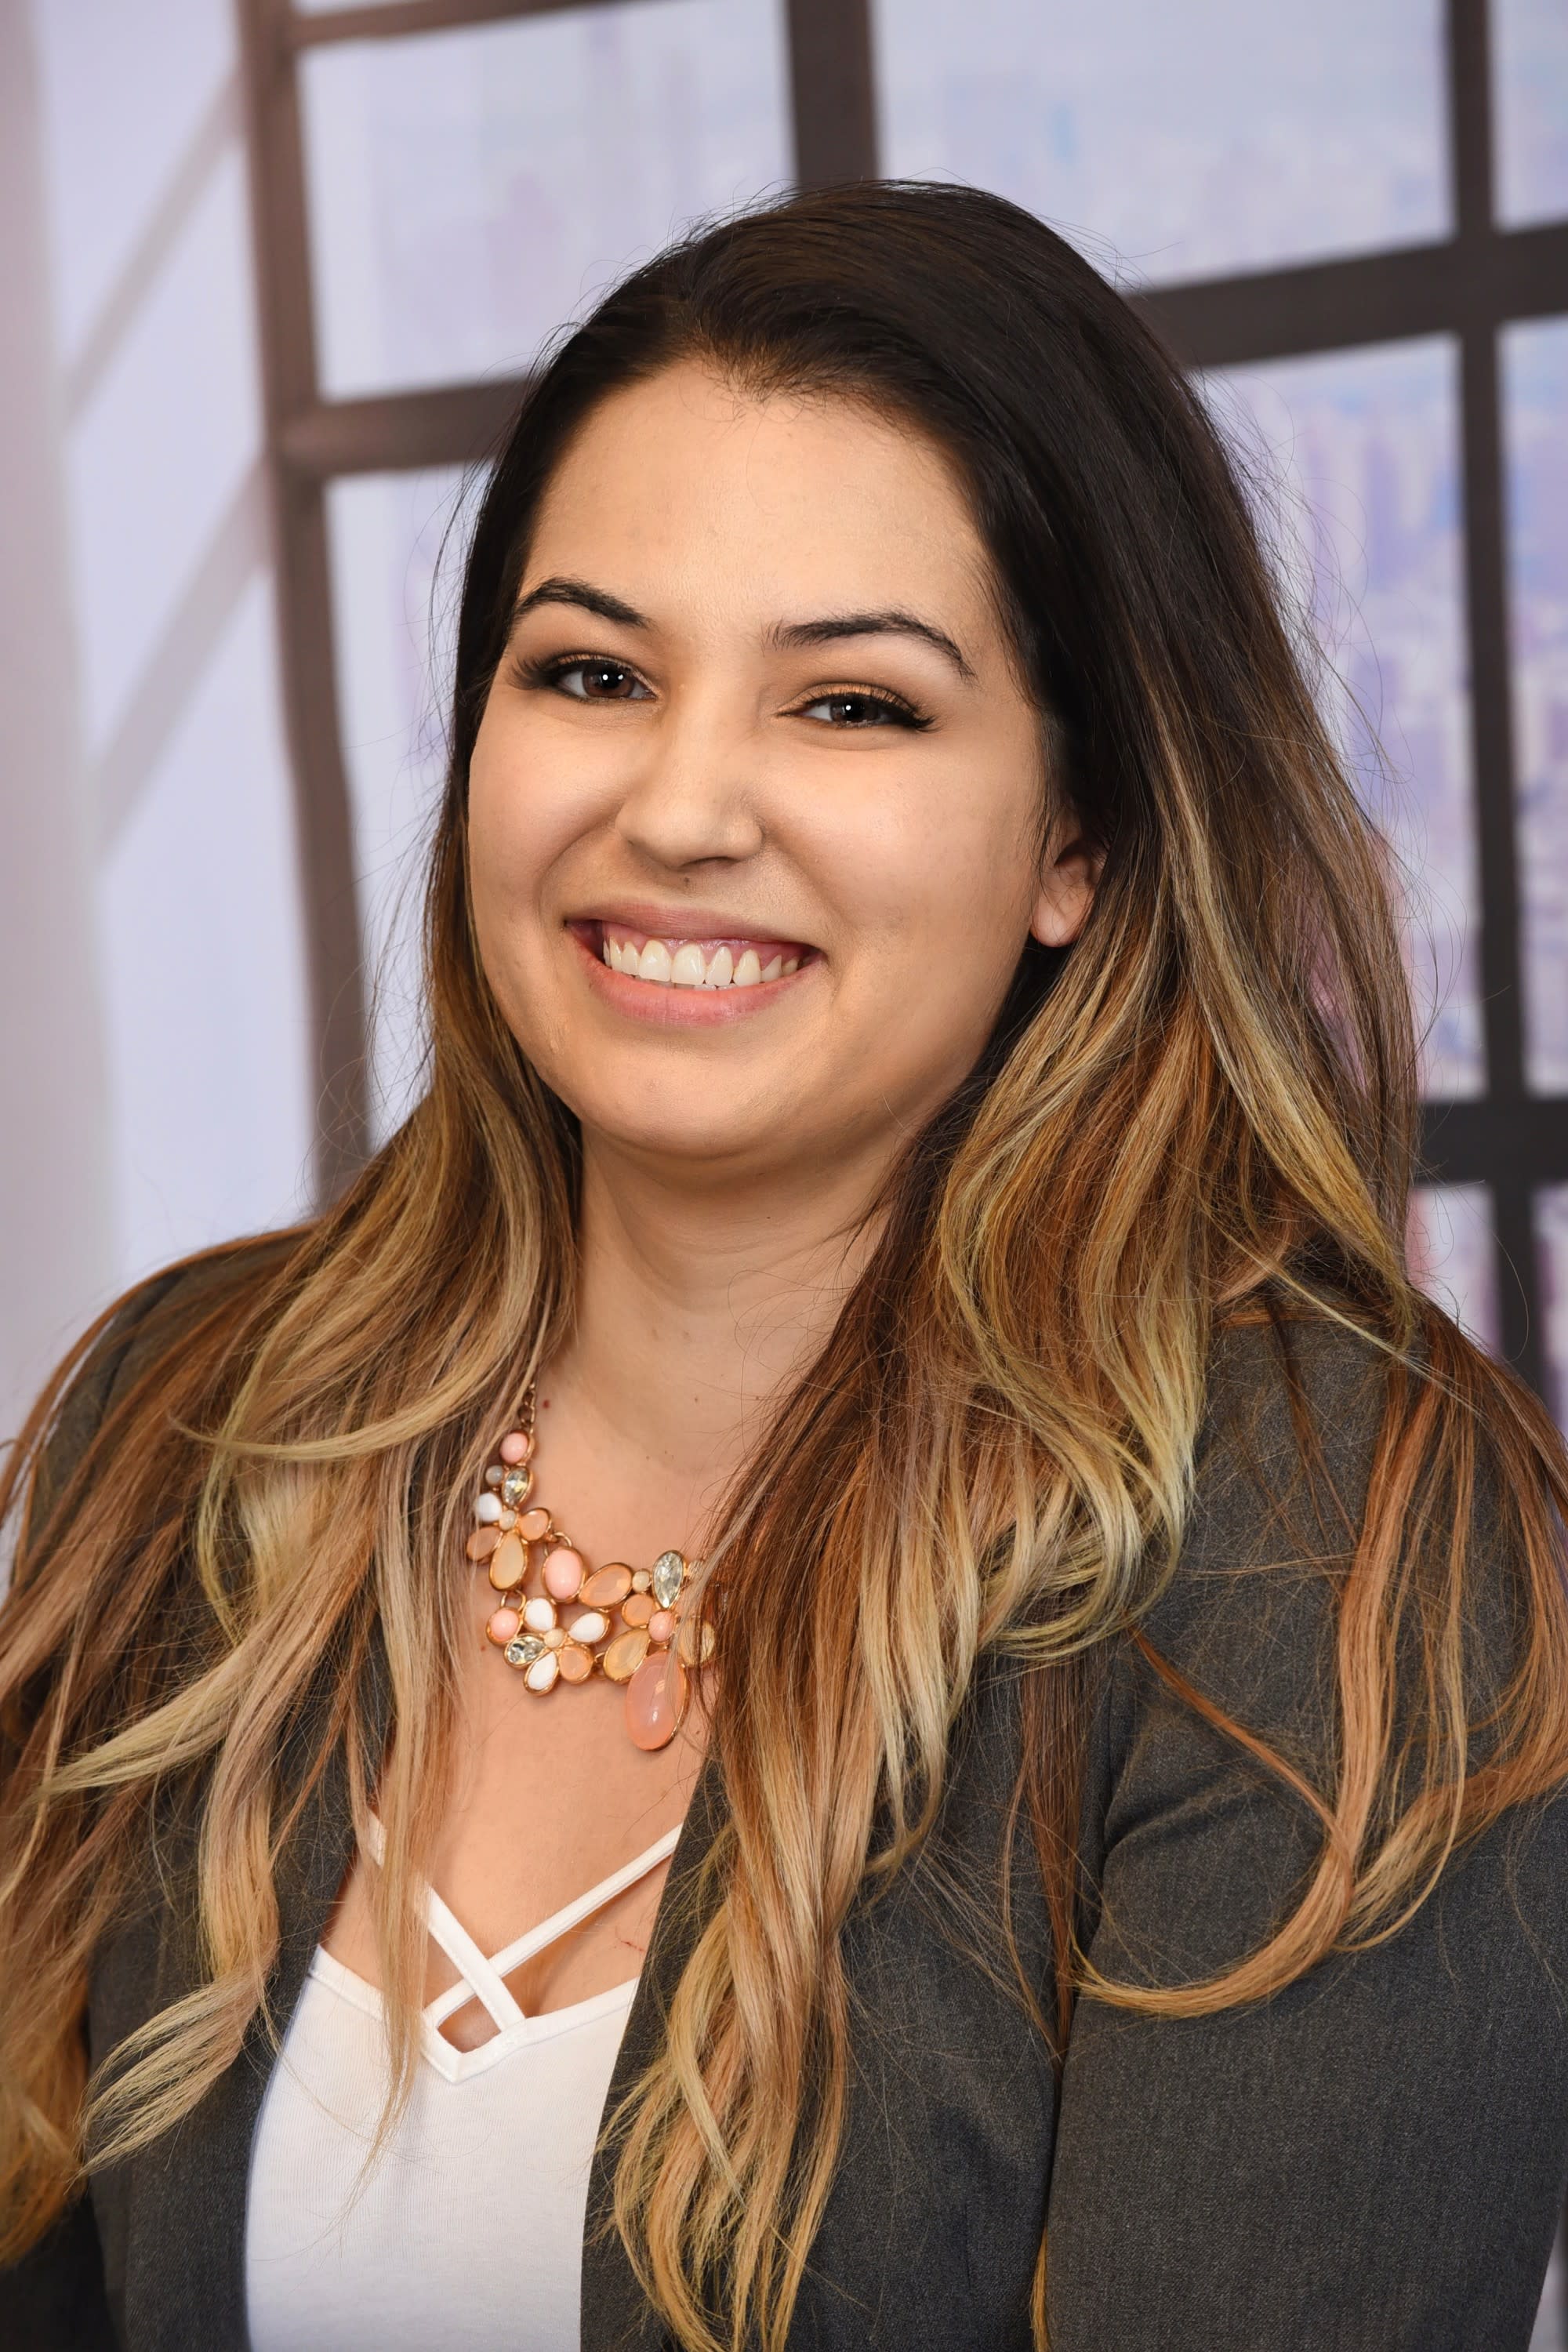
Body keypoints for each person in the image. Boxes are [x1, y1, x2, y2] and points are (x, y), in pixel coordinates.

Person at [4, 180, 1568, 2352]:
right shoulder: (185, 1412)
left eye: (851, 707)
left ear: (1081, 835)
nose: (679, 806)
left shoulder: (1335, 1554)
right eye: (592, 672)